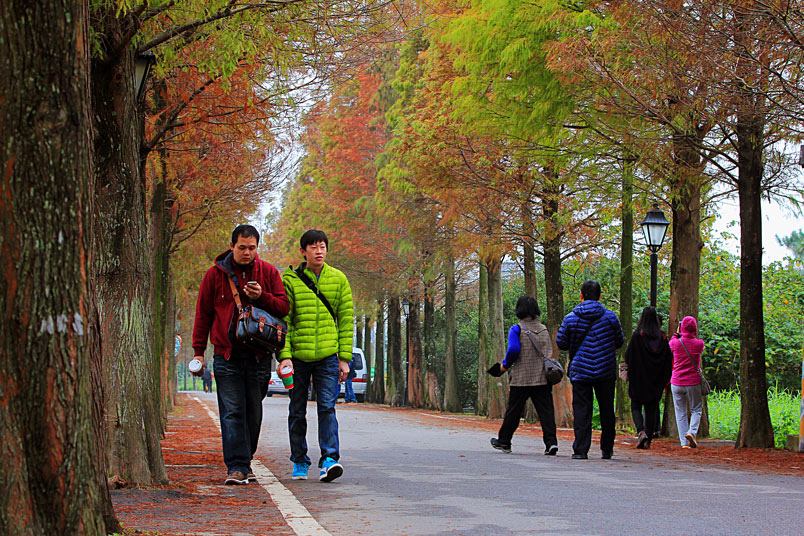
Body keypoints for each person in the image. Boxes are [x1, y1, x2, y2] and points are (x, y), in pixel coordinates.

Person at [192, 224, 290, 485]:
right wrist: (198, 352)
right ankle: (237, 467)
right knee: (232, 411)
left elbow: (283, 308)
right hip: (226, 356)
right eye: (242, 247)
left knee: (253, 412)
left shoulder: (268, 272)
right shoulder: (214, 275)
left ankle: (245, 460)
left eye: (252, 248)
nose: (247, 253)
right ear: (232, 246)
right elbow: (203, 315)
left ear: (257, 247)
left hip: (259, 356)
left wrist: (263, 296)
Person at [277, 229, 354, 482]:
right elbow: (285, 321)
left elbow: (346, 320)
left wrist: (344, 358)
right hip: (298, 356)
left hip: (328, 356)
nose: (319, 251)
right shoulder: (290, 280)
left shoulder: (338, 279)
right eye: (313, 247)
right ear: (303, 251)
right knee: (297, 409)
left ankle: (330, 459)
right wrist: (284, 356)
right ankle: (299, 460)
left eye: (322, 247)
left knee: (327, 407)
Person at [556, 280, 624, 460]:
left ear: (581, 295)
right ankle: (607, 448)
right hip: (605, 370)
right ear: (600, 296)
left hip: (580, 370)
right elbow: (619, 341)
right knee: (607, 409)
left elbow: (561, 343)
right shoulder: (610, 318)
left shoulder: (571, 318)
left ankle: (581, 449)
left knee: (581, 409)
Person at [490, 296, 558, 456]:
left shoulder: (517, 329)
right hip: (542, 377)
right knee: (546, 412)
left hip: (522, 377)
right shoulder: (544, 329)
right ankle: (551, 443)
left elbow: (513, 349)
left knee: (514, 411)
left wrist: (504, 366)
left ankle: (504, 441)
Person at [624, 307, 672, 449]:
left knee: (635, 406)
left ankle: (641, 431)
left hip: (638, 379)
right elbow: (668, 359)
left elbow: (628, 356)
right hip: (655, 380)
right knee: (651, 409)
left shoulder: (637, 336)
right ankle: (648, 440)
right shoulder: (662, 338)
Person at [668, 316, 705, 448]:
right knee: (696, 409)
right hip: (693, 382)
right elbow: (698, 347)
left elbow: (671, 343)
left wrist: (677, 333)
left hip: (677, 382)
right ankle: (692, 432)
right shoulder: (699, 344)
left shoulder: (675, 343)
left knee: (680, 413)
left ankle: (684, 443)